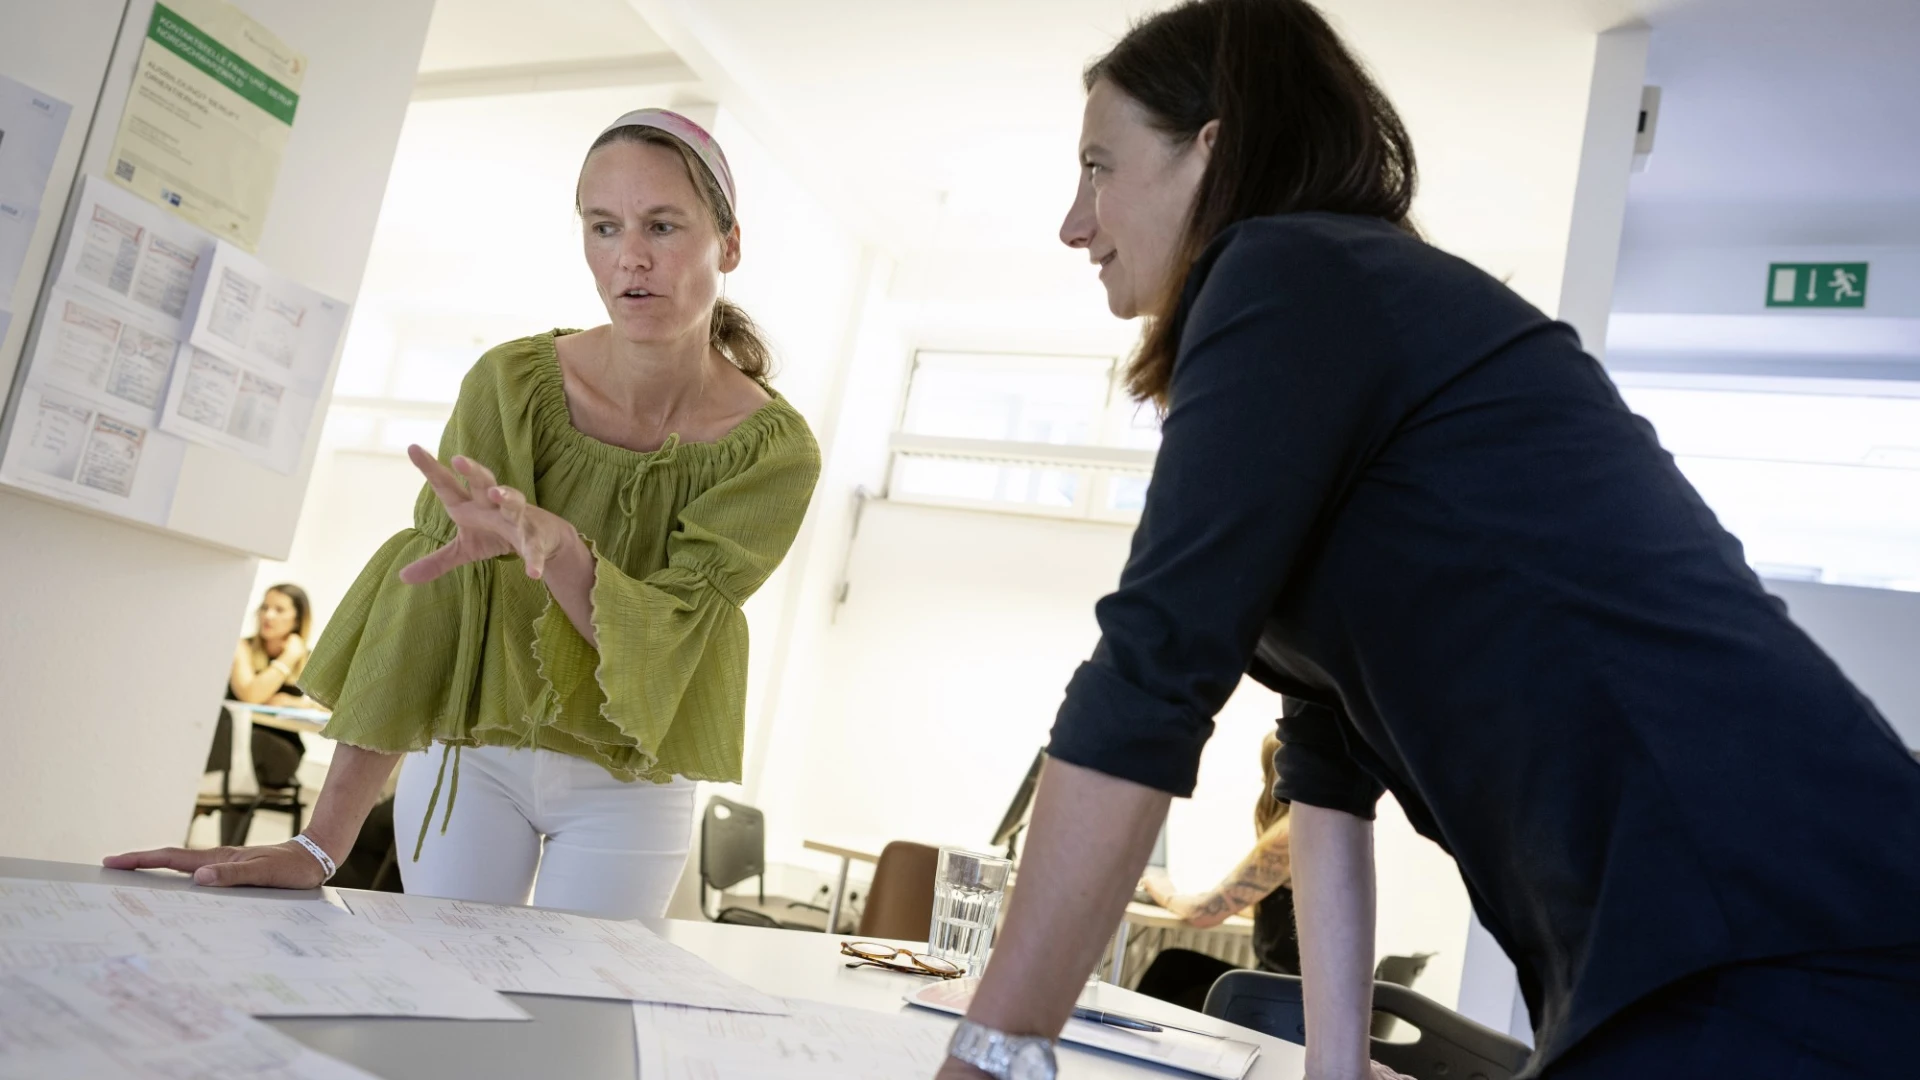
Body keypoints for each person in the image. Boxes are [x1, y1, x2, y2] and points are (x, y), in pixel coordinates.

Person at [935, 3, 1920, 1079]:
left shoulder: (1285, 275)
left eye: (1098, 167)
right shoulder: (1336, 311)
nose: (1075, 222)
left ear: (1210, 148)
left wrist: (996, 1052)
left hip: (1781, 928)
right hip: (1747, 930)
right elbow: (1324, 769)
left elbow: (1150, 674)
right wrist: (1334, 1065)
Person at [110, 109, 822, 920]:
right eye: (603, 226)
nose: (630, 256)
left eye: (663, 225)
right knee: (438, 990)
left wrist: (556, 548)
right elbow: (431, 593)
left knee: (571, 1013)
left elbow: (670, 645)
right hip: (472, 760)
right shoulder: (509, 386)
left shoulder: (774, 453)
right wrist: (322, 842)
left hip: (631, 782)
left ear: (728, 244)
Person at [1134, 733, 1297, 1012]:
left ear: (1275, 777)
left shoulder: (1288, 835)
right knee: (1178, 968)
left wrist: (1163, 890)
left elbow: (1203, 914)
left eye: (1264, 773)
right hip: (1293, 991)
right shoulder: (1311, 834)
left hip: (1284, 997)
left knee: (1172, 967)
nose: (1261, 781)